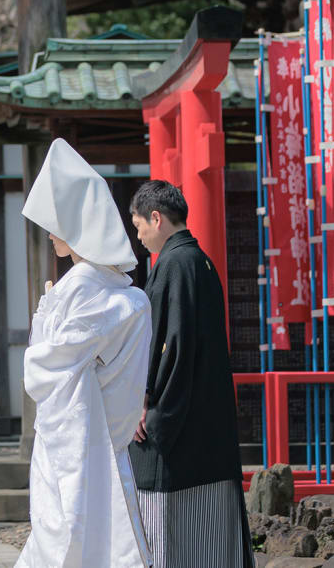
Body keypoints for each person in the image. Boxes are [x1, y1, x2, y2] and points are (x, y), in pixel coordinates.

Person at [16, 138, 153, 568]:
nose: (51, 233)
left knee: (65, 528)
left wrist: (46, 314)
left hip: (73, 432)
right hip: (108, 431)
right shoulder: (127, 294)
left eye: (56, 224)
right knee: (107, 525)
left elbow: (46, 364)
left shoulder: (79, 285)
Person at [127, 180, 254, 568]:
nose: (139, 236)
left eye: (139, 226)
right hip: (208, 423)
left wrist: (144, 400)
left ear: (156, 217)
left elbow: (168, 346)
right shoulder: (201, 261)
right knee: (211, 546)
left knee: (171, 541)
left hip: (176, 428)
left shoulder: (173, 264)